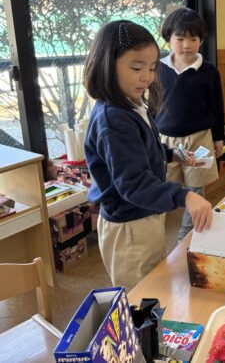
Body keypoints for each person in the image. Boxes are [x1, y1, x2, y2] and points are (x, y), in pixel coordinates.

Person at [83, 20, 213, 291]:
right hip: (129, 225)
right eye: (136, 68)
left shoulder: (130, 105)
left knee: (153, 281)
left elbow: (141, 151)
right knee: (140, 294)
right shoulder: (113, 119)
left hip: (143, 216)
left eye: (152, 68)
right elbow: (133, 183)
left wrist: (171, 154)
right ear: (108, 66)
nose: (147, 77)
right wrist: (184, 196)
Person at [155, 8, 225, 241]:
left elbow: (217, 107)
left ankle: (186, 237)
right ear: (168, 39)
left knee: (197, 189)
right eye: (180, 38)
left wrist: (218, 138)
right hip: (165, 140)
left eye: (193, 39)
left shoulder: (209, 72)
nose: (187, 45)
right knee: (166, 187)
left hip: (200, 139)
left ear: (201, 40)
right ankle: (161, 235)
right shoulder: (157, 69)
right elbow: (150, 105)